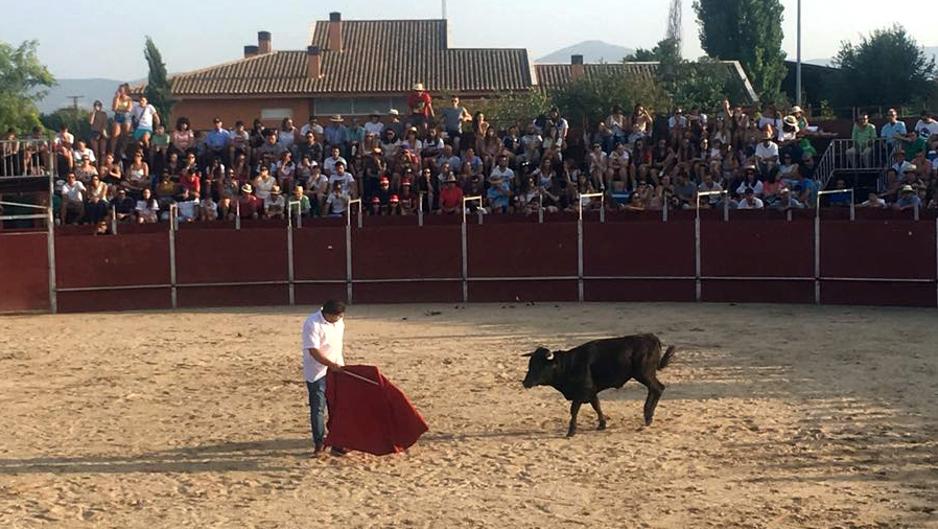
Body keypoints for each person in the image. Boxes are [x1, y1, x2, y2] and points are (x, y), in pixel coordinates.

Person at [302, 299, 348, 456]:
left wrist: (337, 365)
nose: (339, 318)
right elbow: (313, 351)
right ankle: (319, 442)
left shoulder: (340, 321)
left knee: (338, 407)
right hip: (317, 372)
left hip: (337, 369)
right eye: (336, 316)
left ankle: (337, 442)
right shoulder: (312, 323)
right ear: (327, 314)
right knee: (318, 408)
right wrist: (330, 364)